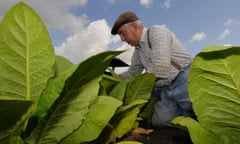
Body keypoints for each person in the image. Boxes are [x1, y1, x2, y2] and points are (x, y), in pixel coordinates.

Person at [111, 11, 195, 127]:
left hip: (183, 79)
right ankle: (187, 116)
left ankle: (190, 114)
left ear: (135, 26)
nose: (122, 39)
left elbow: (160, 67)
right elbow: (132, 72)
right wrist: (114, 78)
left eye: (123, 33)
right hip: (165, 89)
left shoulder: (157, 32)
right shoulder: (138, 50)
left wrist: (139, 85)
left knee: (199, 109)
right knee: (160, 122)